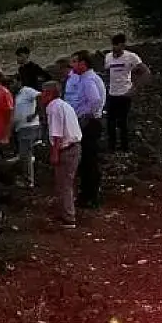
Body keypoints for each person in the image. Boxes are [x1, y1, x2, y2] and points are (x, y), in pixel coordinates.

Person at [64, 50, 107, 209]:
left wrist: (85, 116)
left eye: (75, 62)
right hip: (88, 121)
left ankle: (91, 196)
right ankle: (87, 193)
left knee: (89, 160)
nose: (72, 65)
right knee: (86, 160)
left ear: (83, 63)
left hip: (89, 123)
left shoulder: (88, 80)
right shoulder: (85, 78)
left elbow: (95, 101)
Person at [41, 81, 83, 228]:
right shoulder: (63, 105)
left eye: (44, 92)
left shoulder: (54, 108)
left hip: (67, 149)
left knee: (64, 184)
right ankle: (64, 213)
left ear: (50, 93)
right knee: (64, 183)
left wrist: (54, 153)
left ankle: (68, 218)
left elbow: (57, 134)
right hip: (73, 147)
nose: (41, 95)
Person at [104, 33, 151, 152]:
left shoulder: (131, 57)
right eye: (113, 45)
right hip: (112, 94)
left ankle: (125, 148)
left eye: (117, 45)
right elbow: (108, 72)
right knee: (110, 123)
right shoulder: (108, 57)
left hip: (125, 94)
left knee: (123, 122)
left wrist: (135, 88)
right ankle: (112, 148)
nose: (114, 48)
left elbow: (145, 72)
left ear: (123, 45)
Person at [13, 82, 42, 188]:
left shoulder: (27, 90)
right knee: (25, 154)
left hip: (29, 126)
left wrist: (35, 114)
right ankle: (29, 177)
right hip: (20, 128)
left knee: (25, 154)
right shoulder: (16, 95)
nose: (11, 86)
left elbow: (40, 96)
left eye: (13, 83)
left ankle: (28, 180)